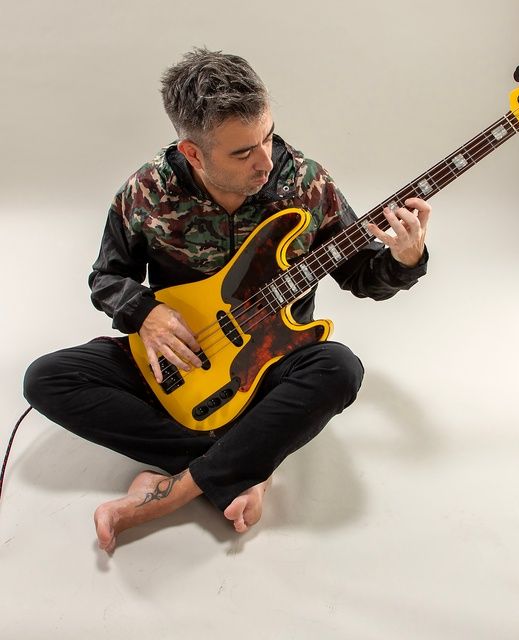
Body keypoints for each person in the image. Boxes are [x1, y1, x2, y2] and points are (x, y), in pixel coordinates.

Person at [23, 48, 431, 554]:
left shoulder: (306, 182)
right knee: (46, 378)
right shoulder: (147, 191)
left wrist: (405, 258)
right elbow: (107, 277)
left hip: (272, 367)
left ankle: (177, 489)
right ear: (193, 153)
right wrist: (146, 313)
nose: (265, 161)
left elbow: (360, 275)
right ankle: (246, 466)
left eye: (268, 137)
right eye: (242, 153)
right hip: (184, 363)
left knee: (339, 369)